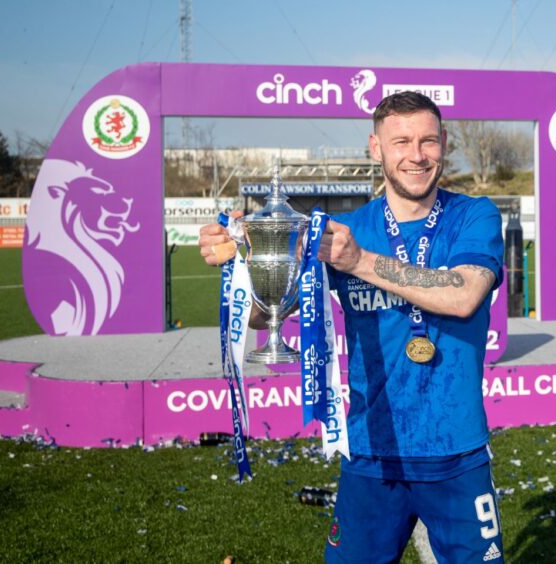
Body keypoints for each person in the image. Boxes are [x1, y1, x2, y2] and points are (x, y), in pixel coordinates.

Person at [199, 92, 505, 562]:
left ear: (444, 143)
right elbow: (266, 315)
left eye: (428, 140)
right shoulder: (342, 229)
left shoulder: (474, 215)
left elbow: (463, 295)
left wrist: (359, 261)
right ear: (375, 149)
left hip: (455, 453)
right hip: (370, 451)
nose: (416, 155)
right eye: (400, 141)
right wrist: (248, 262)